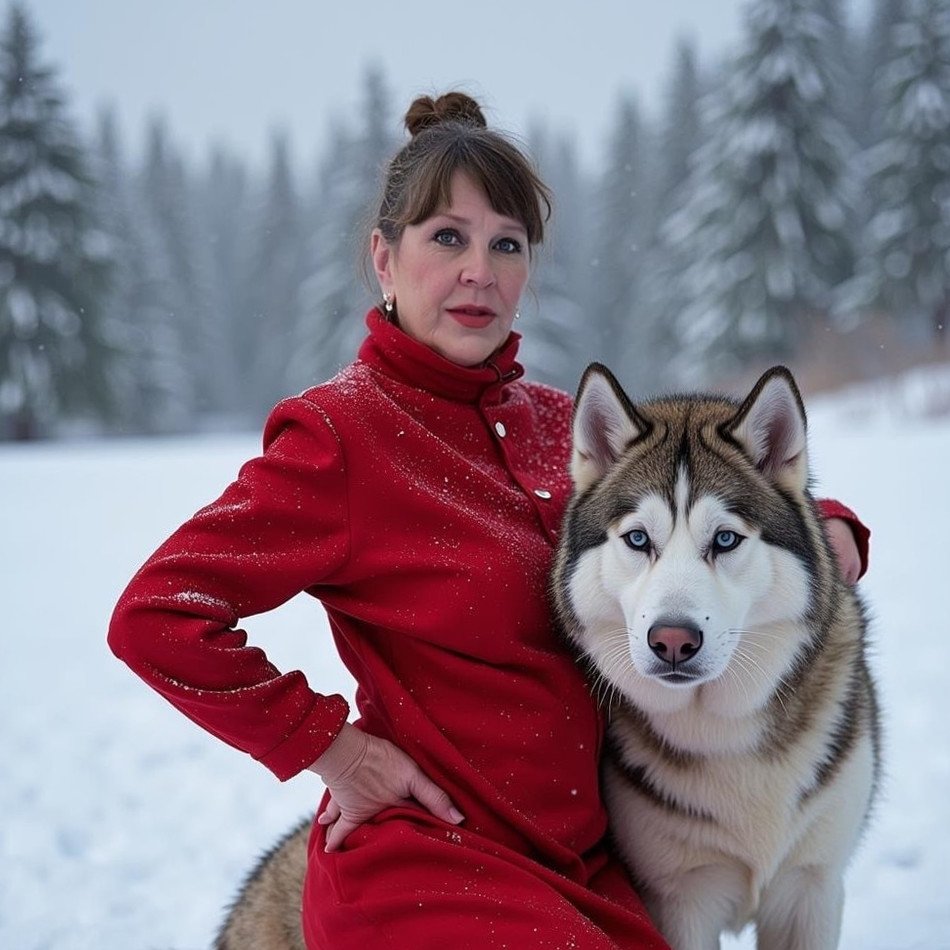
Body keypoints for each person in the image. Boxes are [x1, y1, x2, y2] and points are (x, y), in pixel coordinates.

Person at [108, 92, 869, 949]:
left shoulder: (558, 425)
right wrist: (335, 750)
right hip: (430, 863)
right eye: (447, 238)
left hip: (577, 861)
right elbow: (156, 617)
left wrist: (825, 523)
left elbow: (696, 493)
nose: (480, 270)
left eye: (507, 244)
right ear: (384, 259)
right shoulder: (342, 436)